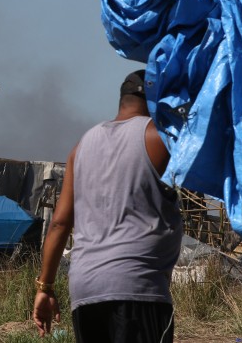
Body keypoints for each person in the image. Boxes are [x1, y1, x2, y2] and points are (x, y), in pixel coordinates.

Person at [32, 70, 183, 343]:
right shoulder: (158, 138)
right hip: (138, 287)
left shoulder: (82, 146)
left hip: (86, 292)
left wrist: (45, 287)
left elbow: (59, 223)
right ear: (156, 100)